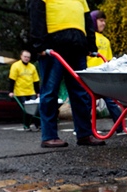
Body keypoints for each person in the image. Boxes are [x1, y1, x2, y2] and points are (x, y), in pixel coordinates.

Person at [29, 0, 106, 148]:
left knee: (80, 93)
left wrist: (90, 45)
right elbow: (36, 12)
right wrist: (39, 44)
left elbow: (87, 20)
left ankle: (84, 134)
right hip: (53, 45)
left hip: (78, 45)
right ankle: (49, 136)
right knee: (50, 92)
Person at [87, 10, 124, 134]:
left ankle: (120, 127)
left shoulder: (106, 40)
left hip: (103, 75)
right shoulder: (88, 37)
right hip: (89, 74)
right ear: (93, 21)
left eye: (104, 21)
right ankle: (83, 129)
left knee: (111, 101)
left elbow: (108, 60)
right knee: (87, 102)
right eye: (101, 21)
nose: (103, 24)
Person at [9, 49, 41, 131]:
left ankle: (38, 125)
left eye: (28, 57)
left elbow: (36, 81)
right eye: (25, 57)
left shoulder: (32, 67)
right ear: (21, 57)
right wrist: (11, 91)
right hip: (20, 92)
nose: (27, 58)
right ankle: (27, 126)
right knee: (27, 110)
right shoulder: (15, 66)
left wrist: (38, 92)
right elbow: (12, 80)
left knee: (36, 108)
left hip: (31, 91)